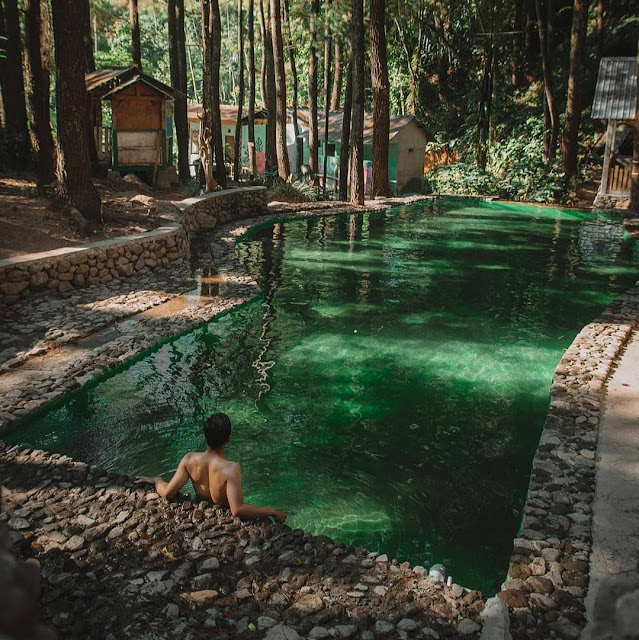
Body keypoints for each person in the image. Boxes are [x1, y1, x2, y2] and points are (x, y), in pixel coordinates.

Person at [136, 413, 286, 523]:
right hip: (223, 512)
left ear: (206, 437)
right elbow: (237, 509)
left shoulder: (189, 459)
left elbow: (168, 493)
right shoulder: (231, 469)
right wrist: (271, 511)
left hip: (202, 507)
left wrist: (157, 480)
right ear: (228, 438)